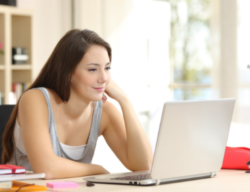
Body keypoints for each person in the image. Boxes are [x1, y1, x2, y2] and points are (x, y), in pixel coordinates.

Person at [1, 29, 153, 180]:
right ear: (68, 73)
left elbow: (144, 164)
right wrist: (97, 169)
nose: (104, 78)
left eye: (107, 68)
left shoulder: (104, 111)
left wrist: (124, 101)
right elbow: (47, 169)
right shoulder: (35, 99)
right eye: (92, 69)